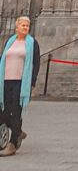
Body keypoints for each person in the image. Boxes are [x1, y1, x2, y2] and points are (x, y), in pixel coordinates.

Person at [0, 15, 40, 156]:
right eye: (22, 25)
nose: (25, 27)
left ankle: (12, 145)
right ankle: (17, 131)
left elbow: (35, 63)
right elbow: (3, 59)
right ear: (16, 27)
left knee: (16, 111)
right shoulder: (10, 42)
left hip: (21, 82)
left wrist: (32, 82)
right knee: (3, 111)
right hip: (5, 80)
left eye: (27, 25)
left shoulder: (32, 43)